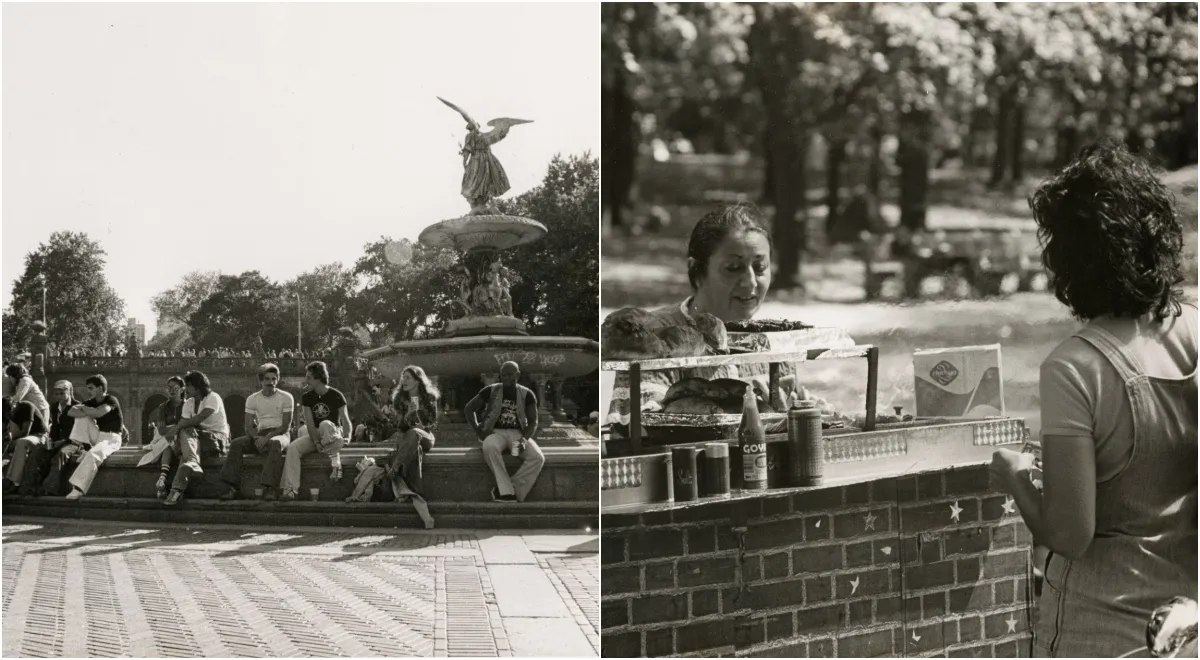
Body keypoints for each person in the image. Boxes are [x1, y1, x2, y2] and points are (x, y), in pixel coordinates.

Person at [988, 142, 1197, 657]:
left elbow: (1069, 533)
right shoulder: (1195, 329)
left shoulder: (1074, 369)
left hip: (1099, 631)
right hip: (1183, 625)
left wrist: (1015, 475)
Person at [464, 361, 544, 503]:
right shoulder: (491, 390)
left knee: (537, 458)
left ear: (518, 375)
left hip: (517, 434)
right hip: (495, 432)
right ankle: (507, 492)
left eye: (510, 375)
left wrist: (523, 440)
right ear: (500, 375)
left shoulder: (527, 394)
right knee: (490, 447)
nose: (507, 378)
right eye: (504, 375)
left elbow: (533, 422)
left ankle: (508, 490)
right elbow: (469, 408)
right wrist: (478, 430)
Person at [218, 363, 293, 501]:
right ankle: (231, 487)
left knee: (275, 443)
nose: (271, 382)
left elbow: (285, 425)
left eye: (274, 379)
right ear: (261, 381)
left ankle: (269, 488)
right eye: (267, 379)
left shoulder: (286, 397)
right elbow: (248, 426)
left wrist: (267, 437)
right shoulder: (252, 399)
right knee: (236, 444)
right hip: (260, 433)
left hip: (280, 434)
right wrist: (257, 437)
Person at [279, 361, 352, 501]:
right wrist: (316, 441)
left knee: (325, 424)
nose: (306, 380)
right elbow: (310, 423)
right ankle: (290, 490)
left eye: (309, 377)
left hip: (332, 432)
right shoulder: (307, 397)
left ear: (318, 379)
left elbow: (345, 419)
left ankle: (334, 456)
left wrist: (348, 437)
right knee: (293, 448)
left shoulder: (336, 395)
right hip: (317, 436)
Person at [162, 371, 229, 506]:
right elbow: (184, 423)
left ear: (197, 387)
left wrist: (176, 429)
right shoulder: (189, 403)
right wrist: (181, 427)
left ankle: (176, 490)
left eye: (188, 385)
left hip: (217, 438)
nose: (185, 388)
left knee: (185, 452)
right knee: (187, 439)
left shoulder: (213, 398)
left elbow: (199, 418)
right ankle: (189, 471)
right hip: (197, 439)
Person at [385, 366, 439, 528]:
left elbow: (432, 425)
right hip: (406, 439)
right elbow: (399, 427)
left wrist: (419, 418)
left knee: (415, 434)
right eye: (403, 377)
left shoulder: (429, 397)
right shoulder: (399, 399)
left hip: (425, 437)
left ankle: (395, 468)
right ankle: (422, 507)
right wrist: (408, 414)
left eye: (408, 377)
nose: (404, 380)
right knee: (414, 448)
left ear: (417, 380)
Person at [63, 375, 124, 500]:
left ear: (100, 388)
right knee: (83, 418)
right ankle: (84, 446)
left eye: (91, 388)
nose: (88, 391)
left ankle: (78, 488)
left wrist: (84, 408)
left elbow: (99, 413)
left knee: (94, 455)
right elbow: (70, 412)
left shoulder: (111, 399)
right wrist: (86, 410)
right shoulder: (92, 402)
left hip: (112, 438)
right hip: (99, 435)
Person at [38, 381, 82, 496]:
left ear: (69, 392)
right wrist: (51, 440)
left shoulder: (77, 407)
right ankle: (30, 487)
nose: (58, 396)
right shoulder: (54, 407)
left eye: (61, 393)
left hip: (73, 442)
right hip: (58, 441)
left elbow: (80, 430)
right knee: (39, 453)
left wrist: (64, 441)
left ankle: (50, 489)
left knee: (61, 455)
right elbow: (55, 428)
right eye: (56, 394)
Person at [1, 393, 50, 495]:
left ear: (14, 405)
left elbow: (25, 432)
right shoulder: (5, 410)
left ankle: (15, 482)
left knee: (21, 442)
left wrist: (10, 439)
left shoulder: (27, 406)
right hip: (21, 437)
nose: (10, 416)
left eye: (11, 412)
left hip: (39, 436)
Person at [146, 376, 186, 499]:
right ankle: (166, 481)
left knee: (171, 444)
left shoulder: (188, 405)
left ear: (182, 389)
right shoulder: (163, 407)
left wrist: (174, 428)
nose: (171, 390)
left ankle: (163, 479)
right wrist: (178, 427)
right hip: (166, 437)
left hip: (181, 438)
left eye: (175, 387)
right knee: (168, 443)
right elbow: (162, 430)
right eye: (169, 388)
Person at [5, 364, 50, 429]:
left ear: (15, 375)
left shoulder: (25, 381)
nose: (10, 379)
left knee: (42, 431)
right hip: (34, 409)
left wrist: (6, 401)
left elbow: (18, 398)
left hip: (41, 408)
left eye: (10, 376)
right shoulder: (20, 382)